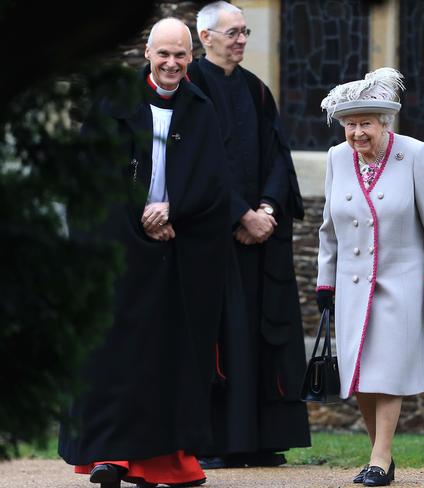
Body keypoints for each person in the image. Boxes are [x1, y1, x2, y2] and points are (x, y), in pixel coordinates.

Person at [58, 18, 231, 488]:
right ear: (148, 55)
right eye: (163, 54)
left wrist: (176, 212)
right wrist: (140, 217)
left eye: (180, 55)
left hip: (178, 252)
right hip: (118, 247)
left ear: (191, 57)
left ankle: (166, 463)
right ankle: (109, 456)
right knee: (114, 354)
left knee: (170, 357)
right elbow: (92, 179)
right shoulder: (113, 103)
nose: (171, 63)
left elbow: (216, 185)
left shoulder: (201, 109)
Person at [187, 1, 310, 469]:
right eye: (232, 32)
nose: (241, 40)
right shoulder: (190, 87)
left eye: (245, 31)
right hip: (214, 240)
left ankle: (260, 439)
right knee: (222, 336)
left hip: (259, 242)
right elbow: (198, 163)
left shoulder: (258, 91)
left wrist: (268, 209)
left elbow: (279, 156)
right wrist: (239, 214)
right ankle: (215, 443)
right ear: (206, 37)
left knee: (263, 335)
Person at [316, 68, 424, 487]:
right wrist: (326, 281)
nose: (357, 134)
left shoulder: (414, 153)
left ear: (383, 122)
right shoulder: (338, 159)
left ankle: (378, 458)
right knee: (359, 373)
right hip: (353, 285)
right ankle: (382, 459)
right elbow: (327, 228)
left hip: (402, 282)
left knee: (388, 368)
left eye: (365, 124)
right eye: (350, 125)